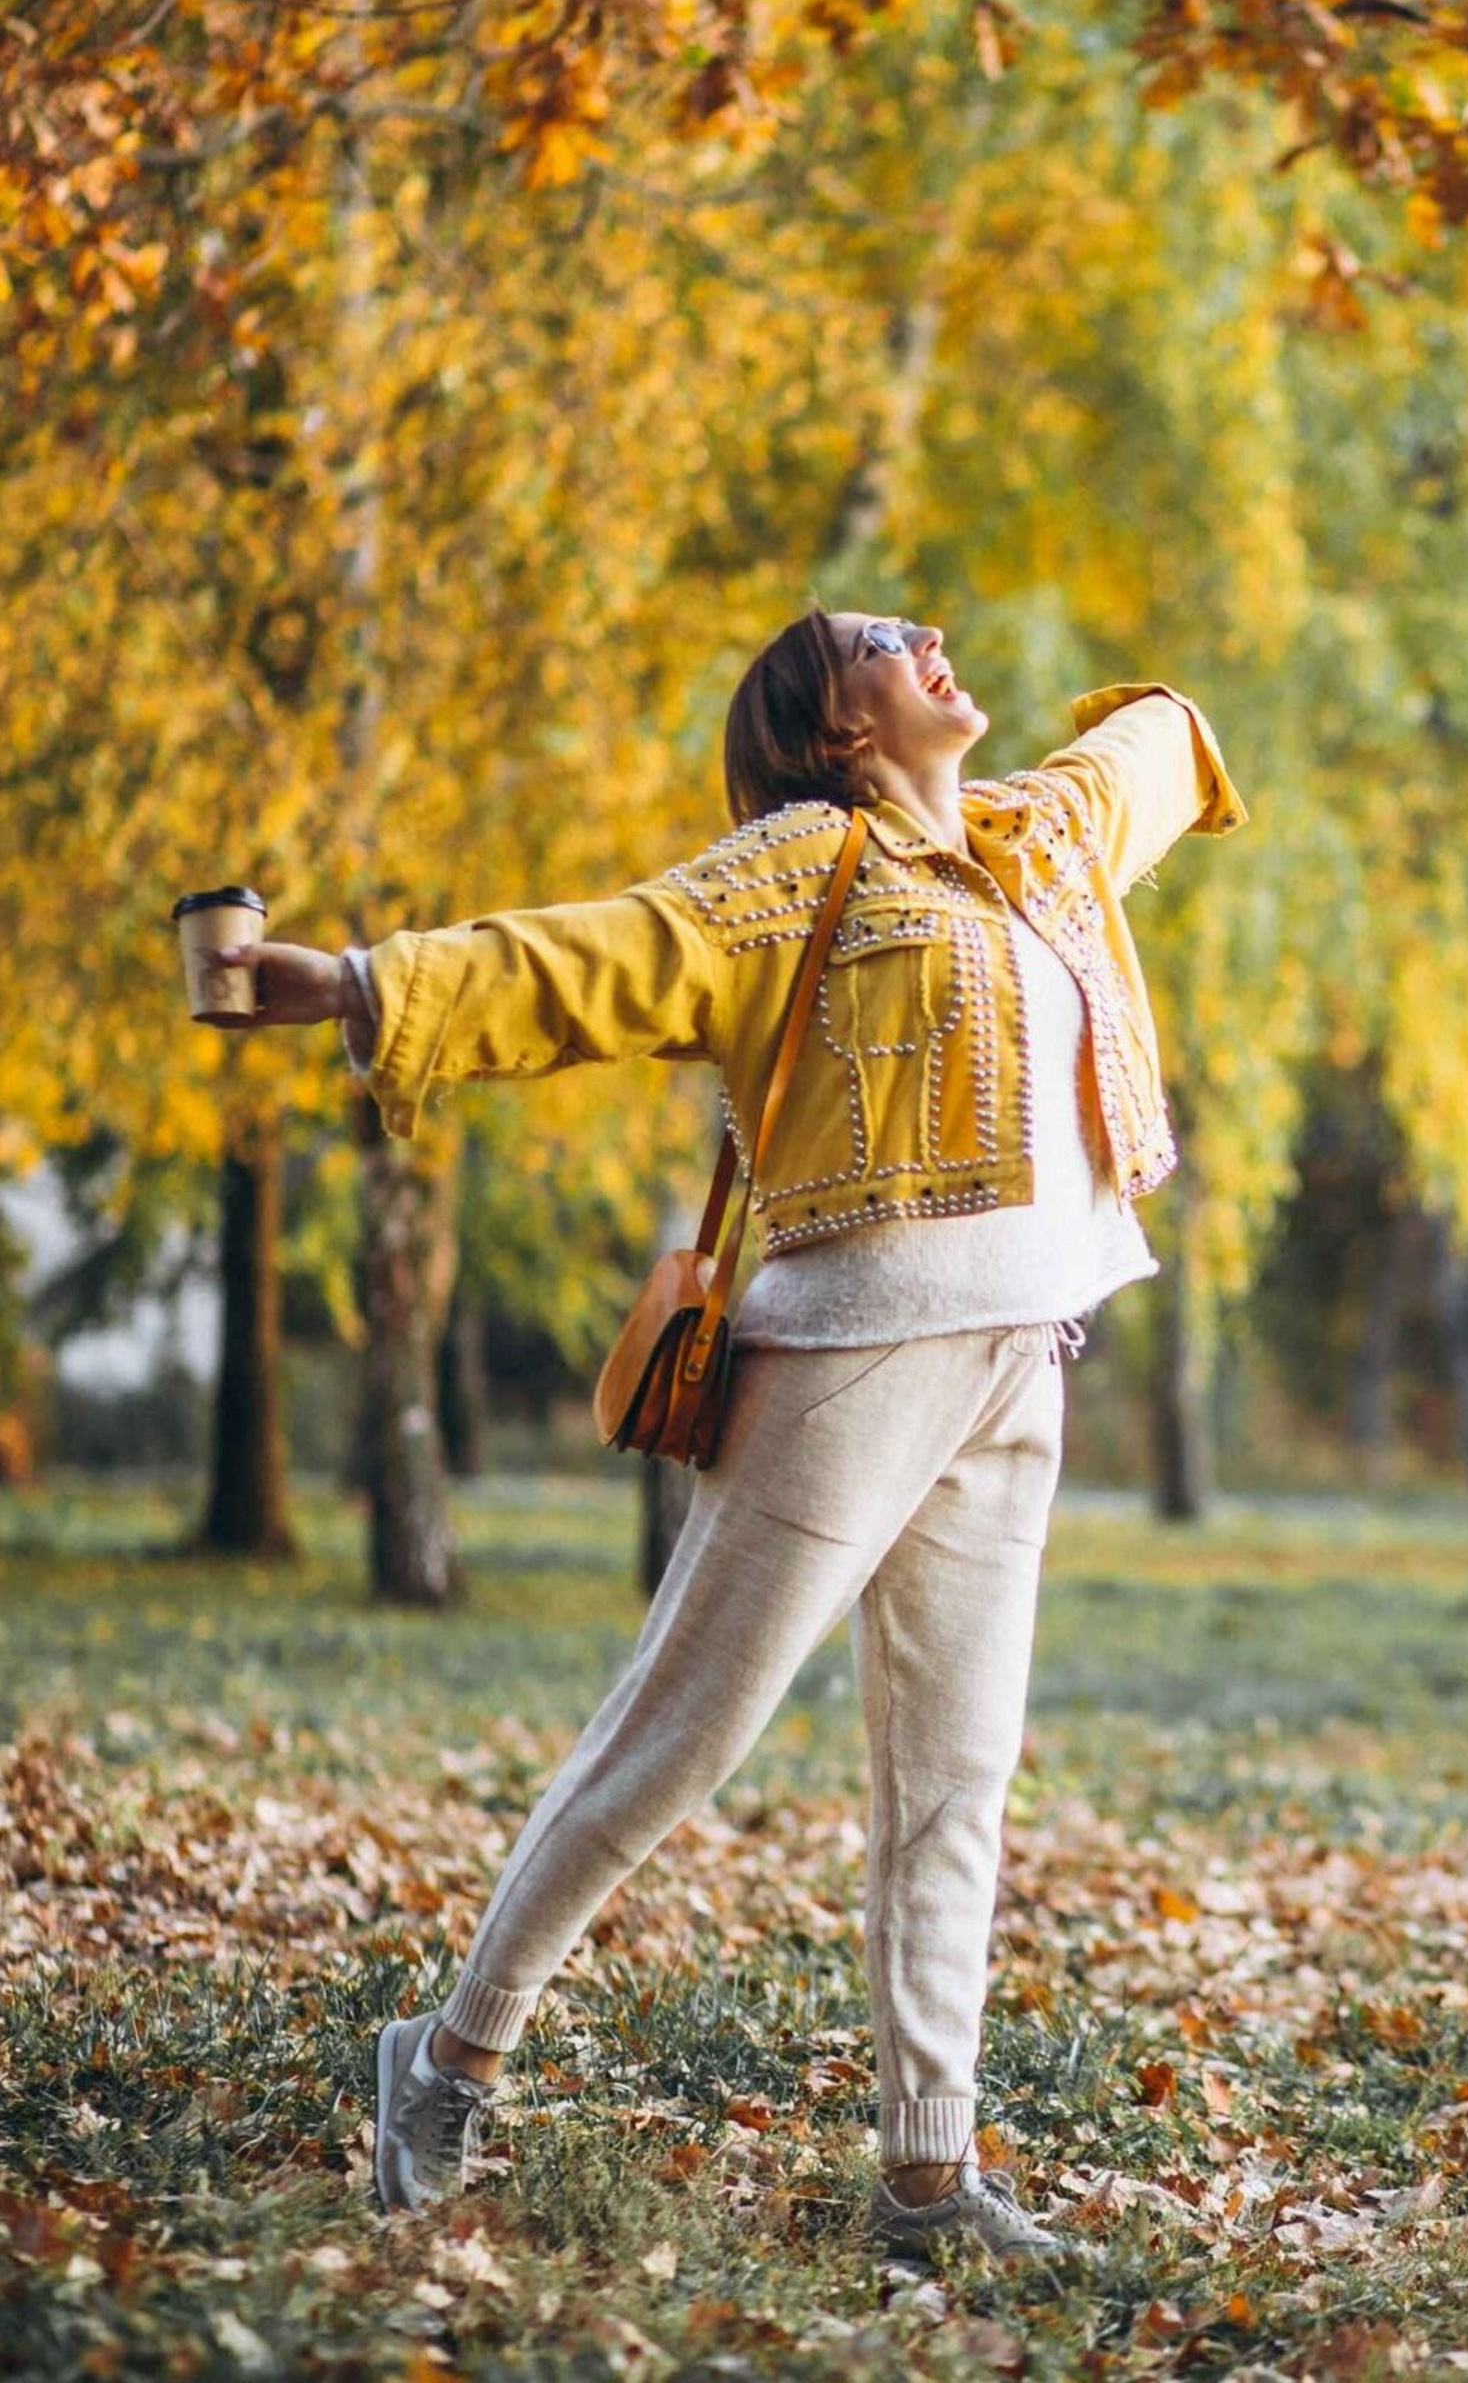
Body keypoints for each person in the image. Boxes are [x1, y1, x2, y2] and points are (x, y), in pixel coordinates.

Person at [215, 609, 1246, 2257]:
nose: (928, 638)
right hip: (843, 1367)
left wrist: (1169, 712)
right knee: (682, 1732)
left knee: (956, 1772)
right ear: (833, 730)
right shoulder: (791, 871)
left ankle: (928, 2177)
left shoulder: (1035, 841)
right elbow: (584, 962)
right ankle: (449, 2053)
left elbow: (1156, 746)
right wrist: (349, 981)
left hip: (1018, 1362)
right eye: (881, 643)